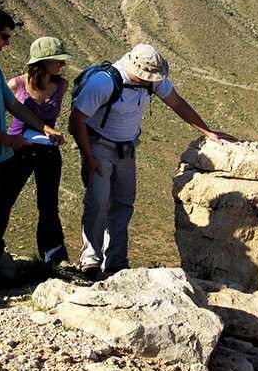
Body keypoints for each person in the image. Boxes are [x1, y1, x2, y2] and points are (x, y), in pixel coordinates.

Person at [69, 43, 236, 280]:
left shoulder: (152, 81)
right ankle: (91, 261)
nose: (152, 81)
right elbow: (76, 121)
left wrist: (207, 131)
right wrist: (87, 158)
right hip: (98, 147)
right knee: (97, 202)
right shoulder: (104, 83)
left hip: (127, 148)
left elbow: (177, 103)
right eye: (148, 76)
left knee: (123, 204)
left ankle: (116, 263)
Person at [0, 8, 65, 285]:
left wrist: (43, 127)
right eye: (5, 37)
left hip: (1, 155)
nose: (7, 44)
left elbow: (13, 105)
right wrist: (7, 139)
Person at [6, 37, 72, 267]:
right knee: (6, 198)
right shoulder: (16, 85)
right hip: (19, 149)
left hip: (47, 150)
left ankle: (54, 257)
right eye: (57, 61)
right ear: (42, 62)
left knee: (48, 203)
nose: (61, 66)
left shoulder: (61, 86)